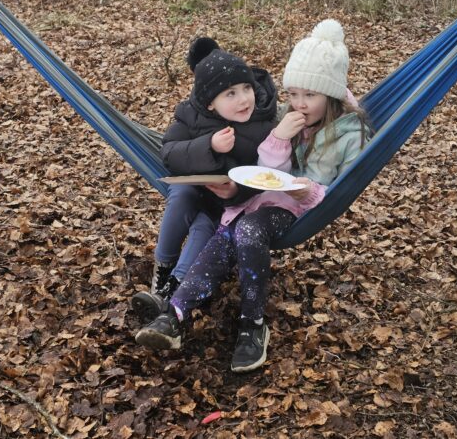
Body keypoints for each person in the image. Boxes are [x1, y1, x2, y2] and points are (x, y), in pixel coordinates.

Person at [135, 19, 372, 373]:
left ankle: (253, 325)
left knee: (247, 230)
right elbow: (268, 167)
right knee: (221, 239)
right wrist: (279, 136)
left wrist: (310, 190)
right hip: (259, 200)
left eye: (310, 95)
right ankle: (174, 316)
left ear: (331, 94)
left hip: (297, 208)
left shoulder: (350, 135)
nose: (299, 103)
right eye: (293, 94)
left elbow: (344, 186)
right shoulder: (290, 119)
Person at [133, 38, 278, 320]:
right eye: (231, 94)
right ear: (210, 104)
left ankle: (173, 289)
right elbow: (170, 153)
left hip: (227, 204)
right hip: (193, 187)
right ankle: (162, 269)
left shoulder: (262, 124)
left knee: (204, 225)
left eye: (247, 88)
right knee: (182, 197)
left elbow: (269, 173)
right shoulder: (190, 115)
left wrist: (236, 190)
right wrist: (208, 145)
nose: (244, 99)